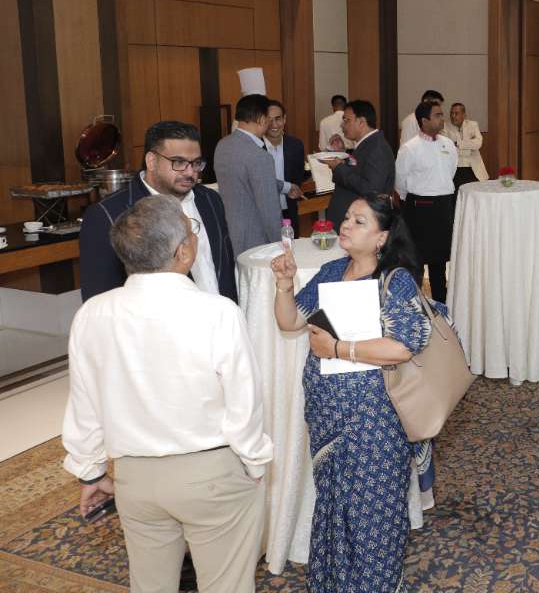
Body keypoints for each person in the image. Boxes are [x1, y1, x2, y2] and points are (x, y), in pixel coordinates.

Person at [63, 195, 272, 593]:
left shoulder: (92, 314)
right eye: (192, 231)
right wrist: (254, 462)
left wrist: (91, 472)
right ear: (183, 252)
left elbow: (84, 405)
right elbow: (244, 402)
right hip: (211, 474)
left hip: (136, 479)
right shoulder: (218, 312)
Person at [270, 195, 442, 592]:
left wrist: (337, 348)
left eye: (359, 221)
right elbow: (291, 321)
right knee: (335, 508)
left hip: (375, 421)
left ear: (382, 237)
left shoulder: (394, 280)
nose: (345, 225)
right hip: (328, 418)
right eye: (347, 217)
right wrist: (284, 285)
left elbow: (403, 346)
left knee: (373, 515)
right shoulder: (332, 271)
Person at [80, 121, 237, 303]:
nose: (190, 172)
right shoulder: (107, 215)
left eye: (196, 163)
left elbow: (225, 269)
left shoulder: (210, 199)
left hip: (221, 315)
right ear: (152, 161)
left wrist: (230, 310)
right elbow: (99, 299)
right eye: (179, 162)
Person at [214, 94, 294, 256]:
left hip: (228, 233)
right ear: (261, 119)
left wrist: (286, 186)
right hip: (256, 241)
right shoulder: (260, 156)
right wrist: (282, 246)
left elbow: (242, 179)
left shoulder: (223, 145)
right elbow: (270, 212)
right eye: (268, 119)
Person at [395, 99, 458, 302]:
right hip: (419, 207)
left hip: (443, 205)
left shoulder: (448, 144)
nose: (442, 118)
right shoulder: (410, 148)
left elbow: (451, 170)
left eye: (442, 114)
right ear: (424, 120)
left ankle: (440, 301)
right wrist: (412, 198)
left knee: (439, 260)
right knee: (416, 259)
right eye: (437, 115)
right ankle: (414, 303)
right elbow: (400, 180)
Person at [322, 99, 395, 230]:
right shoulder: (368, 144)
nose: (342, 125)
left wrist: (339, 167)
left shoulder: (377, 148)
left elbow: (371, 189)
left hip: (361, 225)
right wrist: (342, 154)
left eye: (346, 120)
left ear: (361, 122)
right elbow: (359, 171)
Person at [266, 100, 308, 227]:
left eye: (278, 119)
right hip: (263, 213)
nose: (274, 124)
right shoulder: (255, 148)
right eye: (269, 120)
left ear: (284, 119)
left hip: (289, 210)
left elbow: (298, 177)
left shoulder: (296, 145)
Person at [444, 102, 488, 189]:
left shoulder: (473, 125)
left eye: (456, 113)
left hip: (473, 167)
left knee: (475, 192)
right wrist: (469, 148)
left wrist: (457, 143)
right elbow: (447, 148)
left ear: (464, 115)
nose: (453, 116)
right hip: (455, 168)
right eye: (451, 113)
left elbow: (478, 144)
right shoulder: (445, 126)